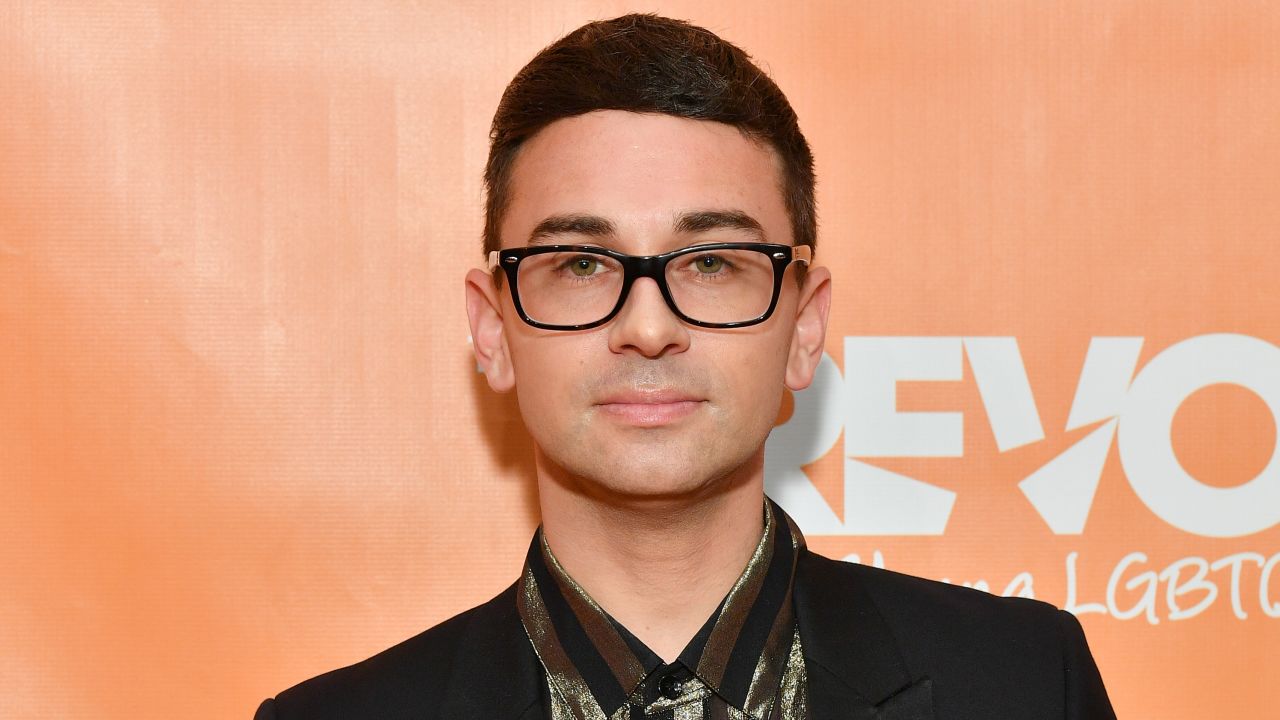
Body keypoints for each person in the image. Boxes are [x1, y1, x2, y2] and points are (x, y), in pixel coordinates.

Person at [256, 13, 1116, 720]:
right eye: (581, 265)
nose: (647, 326)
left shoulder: (1028, 686)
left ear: (805, 326)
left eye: (710, 263)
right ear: (492, 329)